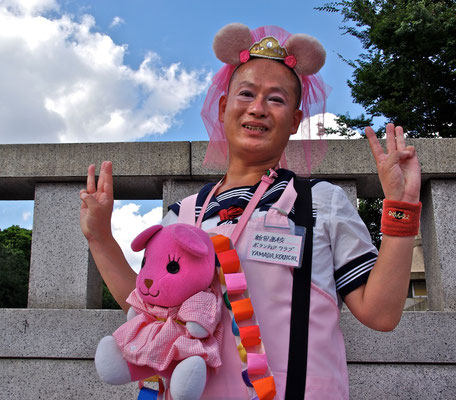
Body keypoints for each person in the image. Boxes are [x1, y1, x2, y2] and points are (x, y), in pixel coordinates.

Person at [80, 23, 421, 400]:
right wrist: (100, 238)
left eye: (276, 99)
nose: (258, 108)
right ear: (224, 107)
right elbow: (149, 303)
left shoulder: (318, 203)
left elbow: (381, 314)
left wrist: (401, 208)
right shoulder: (184, 215)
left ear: (294, 120)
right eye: (246, 94)